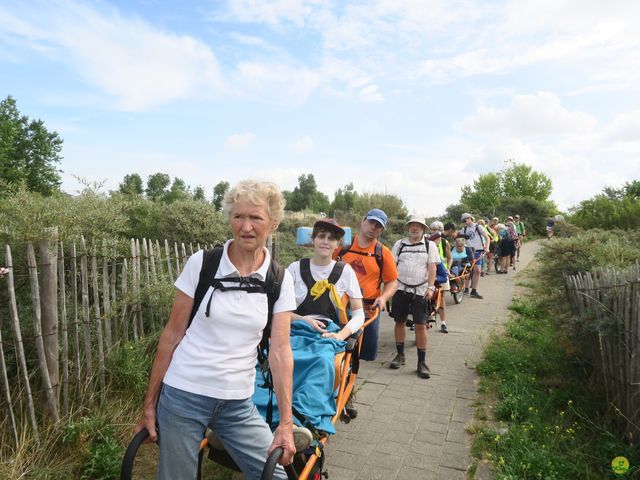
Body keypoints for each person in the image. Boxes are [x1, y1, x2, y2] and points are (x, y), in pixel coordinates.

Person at [134, 180, 297, 480]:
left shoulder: (279, 279)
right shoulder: (203, 264)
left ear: (272, 224)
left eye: (256, 218)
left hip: (236, 402)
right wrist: (149, 404)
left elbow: (280, 351)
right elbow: (171, 336)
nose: (246, 226)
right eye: (238, 216)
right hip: (184, 394)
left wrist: (285, 425)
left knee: (277, 476)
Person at [286, 218, 364, 420]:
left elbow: (359, 314)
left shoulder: (345, 271)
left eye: (332, 238)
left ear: (338, 244)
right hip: (294, 328)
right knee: (274, 357)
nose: (326, 241)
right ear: (313, 239)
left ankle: (303, 419)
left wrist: (341, 335)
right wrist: (303, 321)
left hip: (327, 334)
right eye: (321, 236)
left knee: (322, 360)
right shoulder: (295, 269)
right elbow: (278, 310)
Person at [334, 209, 398, 362]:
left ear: (381, 230)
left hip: (368, 309)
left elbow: (392, 282)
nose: (373, 228)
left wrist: (383, 297)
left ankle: (352, 378)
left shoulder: (383, 253)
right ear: (363, 221)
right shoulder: (343, 245)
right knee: (336, 346)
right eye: (371, 222)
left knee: (364, 354)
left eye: (378, 226)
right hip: (338, 306)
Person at [390, 216, 440, 378]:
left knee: (421, 325)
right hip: (400, 289)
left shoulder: (430, 245)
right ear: (408, 227)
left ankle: (421, 362)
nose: (415, 228)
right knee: (400, 322)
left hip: (421, 291)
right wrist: (388, 288)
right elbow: (391, 266)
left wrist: (431, 288)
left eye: (419, 226)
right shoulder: (399, 244)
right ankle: (400, 355)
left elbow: (432, 267)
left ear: (424, 229)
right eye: (412, 225)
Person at [458, 213, 489, 299]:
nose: (465, 222)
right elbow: (459, 239)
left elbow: (487, 238)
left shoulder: (478, 227)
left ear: (470, 218)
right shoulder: (463, 229)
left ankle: (474, 290)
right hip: (468, 251)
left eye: (466, 219)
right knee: (467, 270)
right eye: (464, 221)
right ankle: (466, 289)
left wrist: (487, 247)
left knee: (478, 270)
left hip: (478, 251)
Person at [429, 221, 452, 333]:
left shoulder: (444, 242)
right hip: (430, 273)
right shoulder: (427, 241)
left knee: (441, 298)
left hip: (441, 273)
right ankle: (427, 320)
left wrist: (447, 269)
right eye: (433, 229)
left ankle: (443, 323)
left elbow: (450, 257)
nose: (435, 231)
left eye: (438, 229)